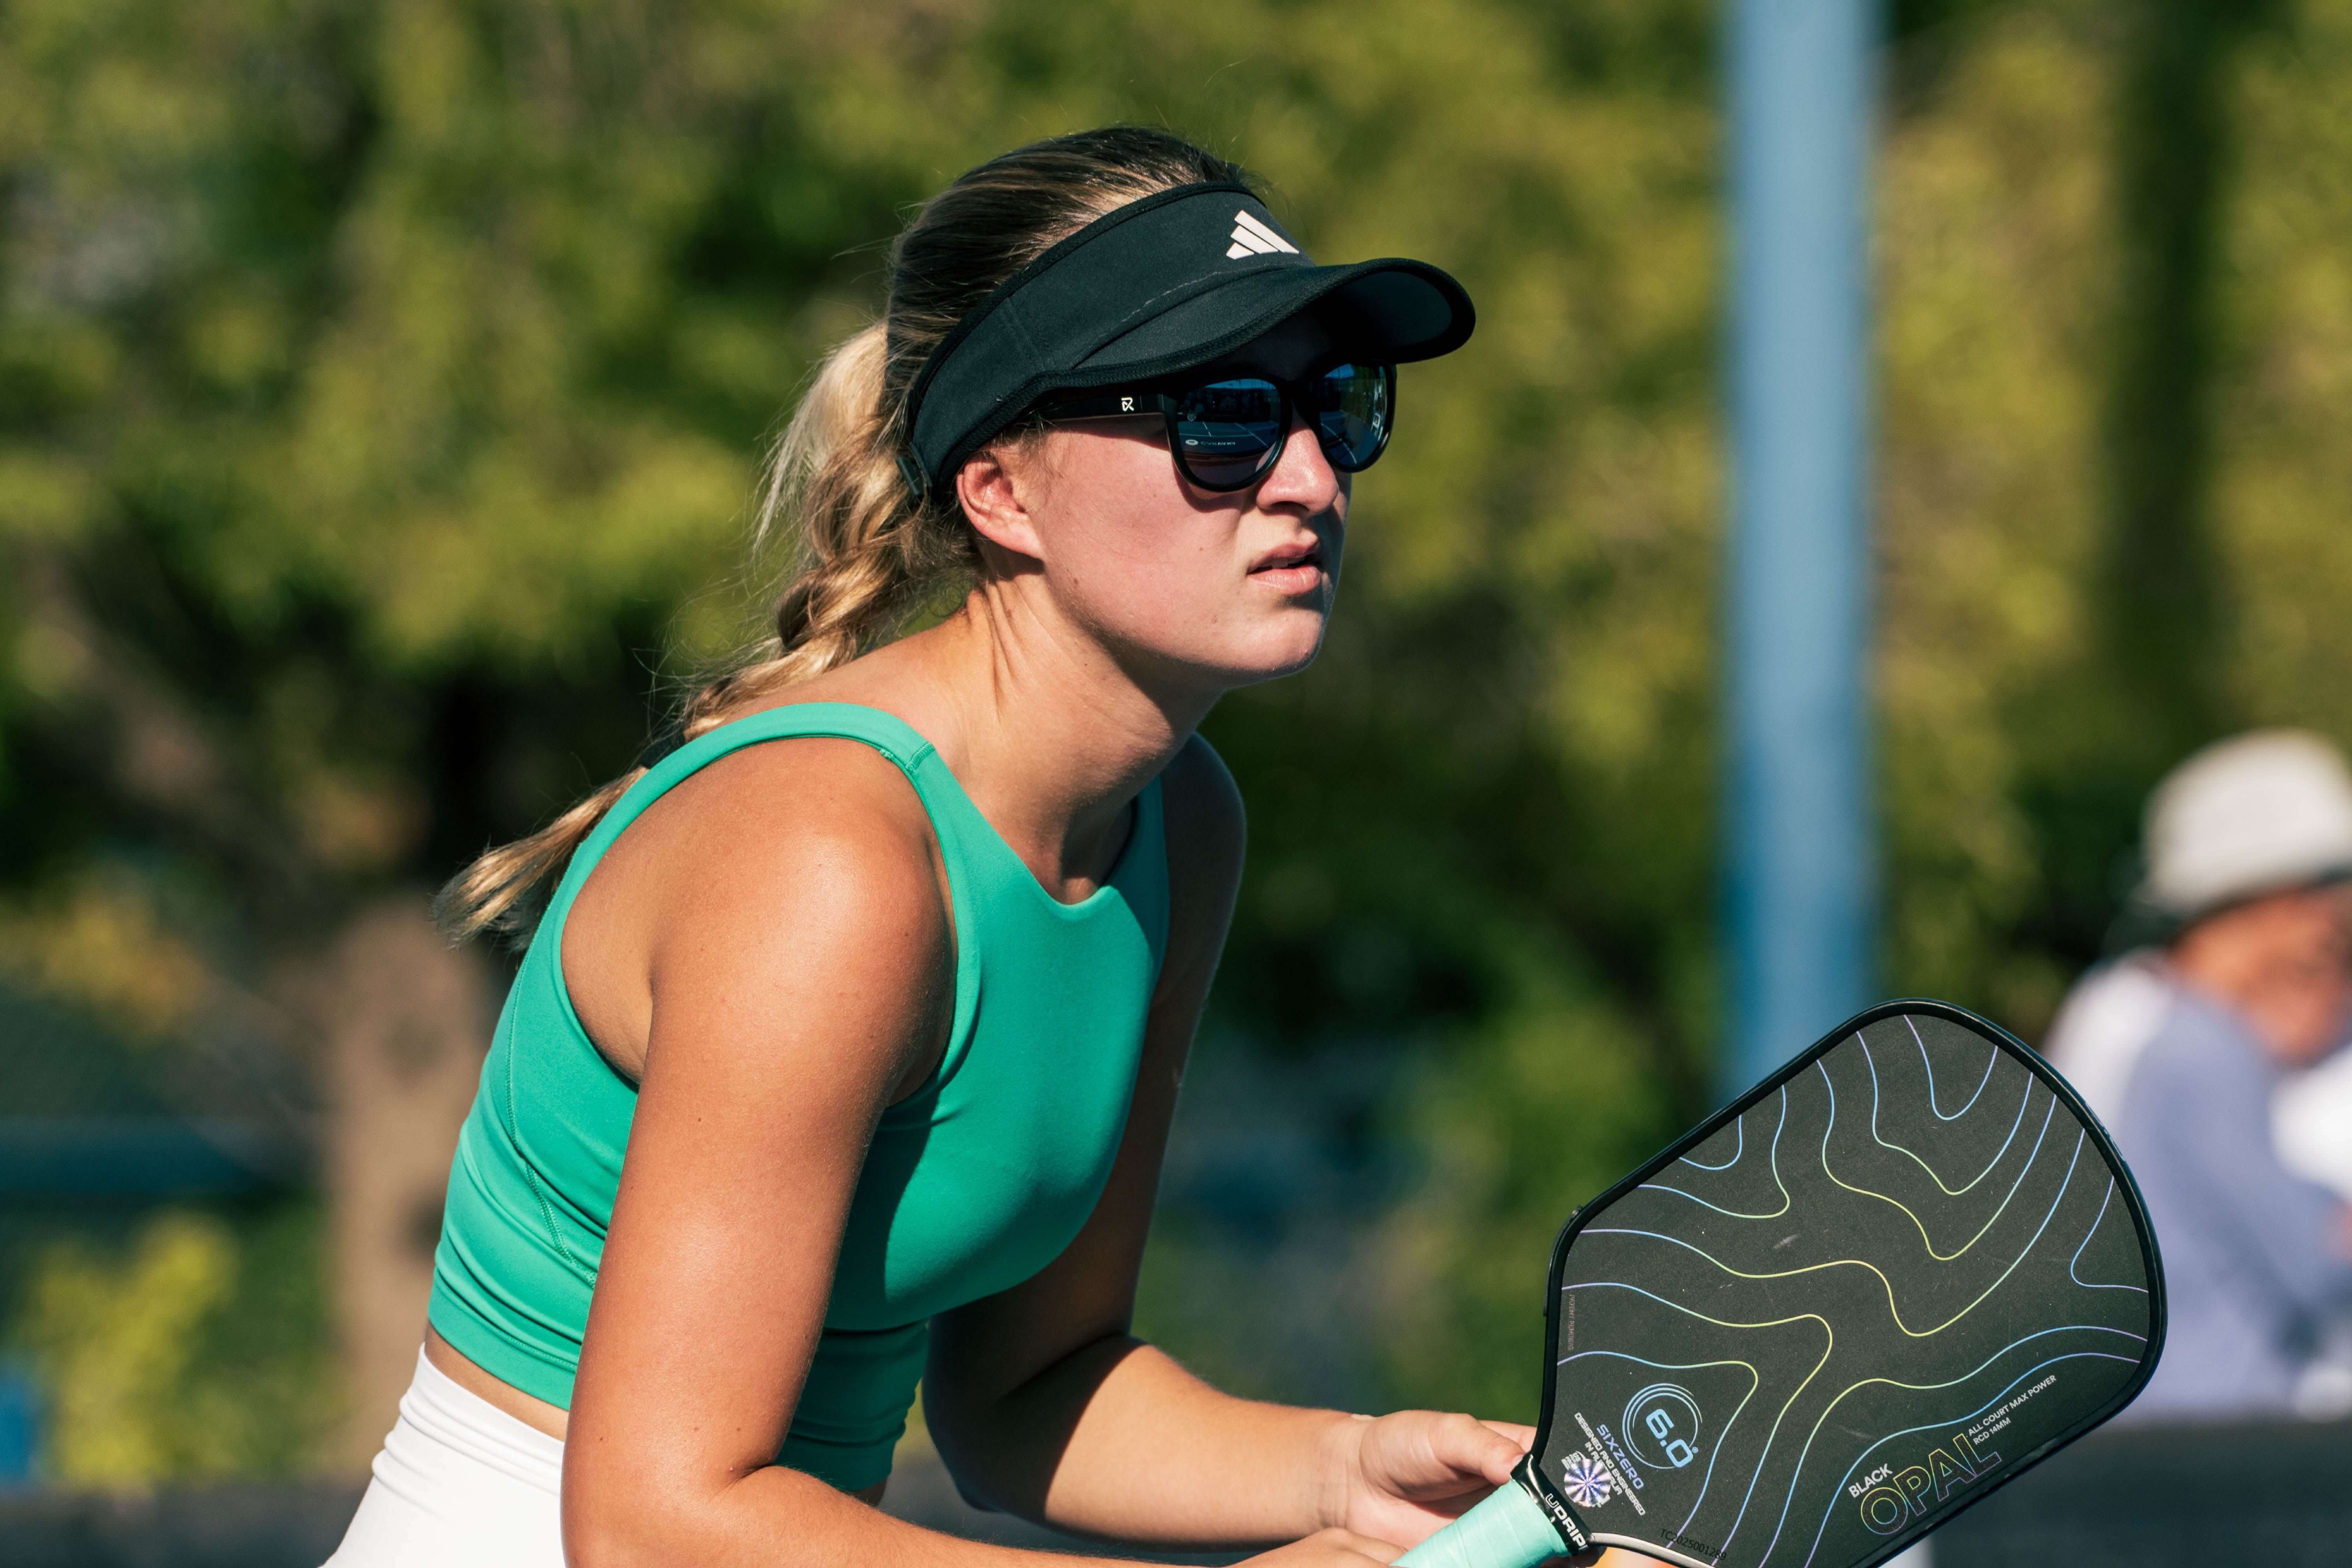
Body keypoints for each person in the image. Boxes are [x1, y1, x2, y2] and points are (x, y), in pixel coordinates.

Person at [322, 126, 1570, 1568]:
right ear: (1000, 489)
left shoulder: (1179, 821)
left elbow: (1026, 1395)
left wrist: (1347, 1476)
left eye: (1336, 404)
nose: (1308, 478)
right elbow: (655, 1528)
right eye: (1222, 417)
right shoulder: (830, 864)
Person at [2044, 730, 2352, 1422]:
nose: (2335, 919)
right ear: (2264, 899)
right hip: (2200, 1457)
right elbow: (2312, 1264)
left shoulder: (2141, 1026)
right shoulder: (2202, 1051)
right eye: (2325, 886)